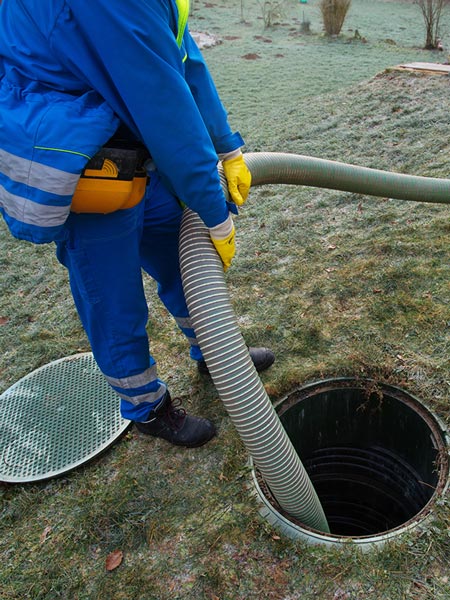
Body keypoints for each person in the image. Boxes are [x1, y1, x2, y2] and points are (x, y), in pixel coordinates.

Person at [0, 0, 275, 448]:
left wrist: (227, 147)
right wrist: (215, 214)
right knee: (114, 300)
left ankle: (216, 352)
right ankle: (147, 406)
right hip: (85, 163)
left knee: (182, 263)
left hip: (133, 147)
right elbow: (163, 105)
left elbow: (181, 54)